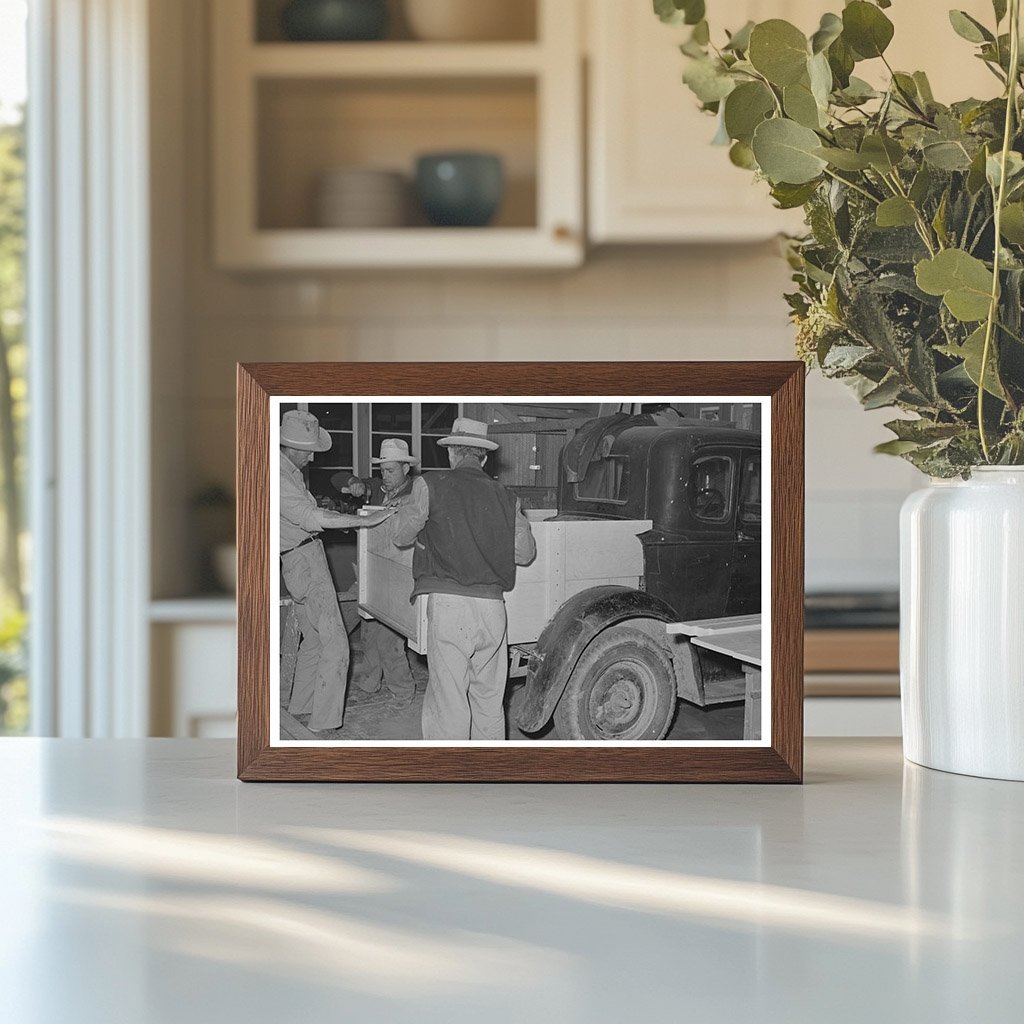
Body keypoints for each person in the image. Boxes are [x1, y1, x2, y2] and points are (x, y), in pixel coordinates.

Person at [392, 418, 536, 740]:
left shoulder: (430, 484)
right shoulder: (507, 496)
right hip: (492, 610)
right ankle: (488, 776)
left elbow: (400, 536)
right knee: (488, 701)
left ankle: (450, 778)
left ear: (451, 455)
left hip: (449, 607)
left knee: (450, 700)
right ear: (484, 458)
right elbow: (525, 553)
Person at [279, 410, 394, 733]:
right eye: (310, 450)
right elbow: (310, 518)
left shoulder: (288, 471)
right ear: (295, 447)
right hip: (304, 558)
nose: (313, 456)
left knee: (314, 639)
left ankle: (301, 707)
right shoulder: (279, 475)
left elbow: (305, 511)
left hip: (299, 556)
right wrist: (364, 520)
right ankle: (324, 723)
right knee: (336, 644)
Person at [333, 439, 419, 707]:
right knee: (369, 628)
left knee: (389, 635)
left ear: (406, 468)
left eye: (391, 470)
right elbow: (337, 479)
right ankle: (370, 682)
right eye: (383, 470)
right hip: (371, 567)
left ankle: (403, 690)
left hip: (399, 571)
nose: (386, 476)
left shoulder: (417, 492)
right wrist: (354, 480)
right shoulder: (375, 488)